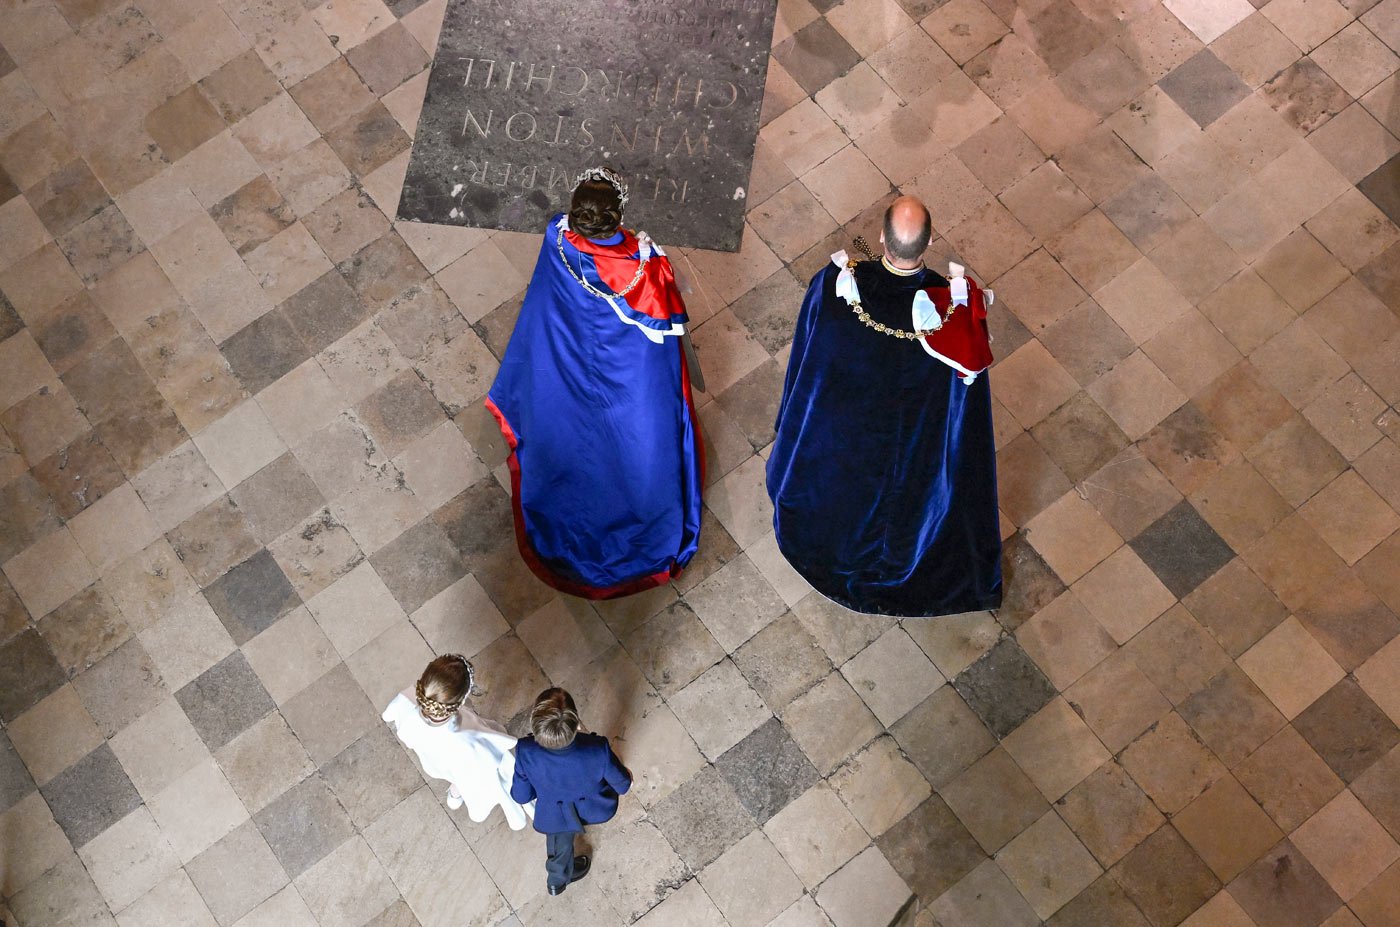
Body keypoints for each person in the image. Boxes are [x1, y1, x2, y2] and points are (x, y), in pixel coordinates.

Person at [766, 195, 1002, 617]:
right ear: (929, 243)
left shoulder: (835, 287)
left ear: (881, 238)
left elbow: (808, 356)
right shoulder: (954, 316)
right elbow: (966, 408)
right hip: (911, 446)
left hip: (845, 436)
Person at [485, 167, 703, 599]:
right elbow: (662, 335)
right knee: (643, 437)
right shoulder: (645, 266)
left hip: (565, 360)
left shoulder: (557, 239)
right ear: (618, 215)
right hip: (626, 375)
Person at [381, 654, 533, 830]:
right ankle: (456, 791)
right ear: (460, 702)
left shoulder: (407, 699)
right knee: (464, 779)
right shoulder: (468, 734)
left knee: (451, 772)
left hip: (432, 760)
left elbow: (389, 713)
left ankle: (454, 792)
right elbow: (489, 761)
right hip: (462, 762)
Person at [510, 688, 632, 895]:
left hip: (554, 812)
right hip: (594, 807)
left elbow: (521, 795)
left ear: (535, 725)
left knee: (558, 840)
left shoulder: (525, 750)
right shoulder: (597, 747)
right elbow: (623, 785)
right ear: (576, 724)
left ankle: (557, 881)